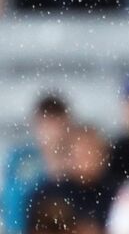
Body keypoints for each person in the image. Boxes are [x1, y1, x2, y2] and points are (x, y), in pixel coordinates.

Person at [1, 95, 72, 234]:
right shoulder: (20, 158)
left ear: (66, 124)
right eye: (46, 124)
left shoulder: (78, 158)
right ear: (36, 124)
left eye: (55, 124)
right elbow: (12, 198)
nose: (51, 131)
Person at [28, 124, 117, 234]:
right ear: (69, 156)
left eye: (92, 152)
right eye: (82, 154)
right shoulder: (49, 194)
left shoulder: (117, 194)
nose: (87, 160)